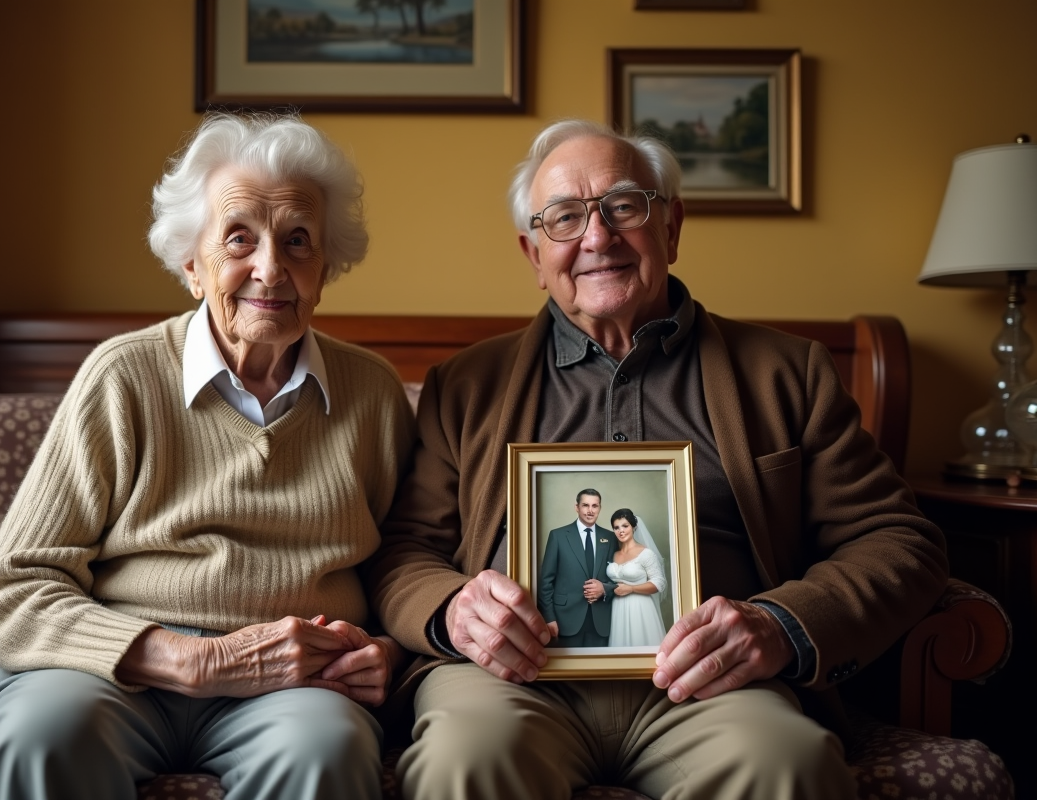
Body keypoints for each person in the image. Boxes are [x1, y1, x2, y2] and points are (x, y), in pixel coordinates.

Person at [364, 119, 948, 800]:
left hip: (714, 686)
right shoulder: (463, 385)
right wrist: (454, 609)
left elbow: (898, 540)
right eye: (564, 217)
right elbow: (404, 549)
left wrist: (780, 625)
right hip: (509, 683)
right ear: (533, 254)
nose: (597, 237)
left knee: (786, 764)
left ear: (671, 227)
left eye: (624, 206)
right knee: (463, 761)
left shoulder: (790, 373)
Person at [0, 112, 415, 800]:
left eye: (298, 240)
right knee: (47, 738)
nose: (272, 268)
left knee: (326, 752)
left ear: (325, 268)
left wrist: (388, 650)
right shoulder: (124, 376)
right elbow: (7, 593)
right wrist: (196, 659)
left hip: (294, 684)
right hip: (114, 670)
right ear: (191, 266)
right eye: (239, 238)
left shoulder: (373, 393)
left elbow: (406, 564)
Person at [537, 489, 617, 647]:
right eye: (585, 505)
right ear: (577, 507)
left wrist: (604, 588)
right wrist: (549, 618)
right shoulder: (558, 536)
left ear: (600, 508)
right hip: (564, 619)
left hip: (601, 620)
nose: (590, 510)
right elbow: (546, 581)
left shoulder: (610, 538)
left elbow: (618, 578)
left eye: (595, 506)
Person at [605, 508, 667, 648]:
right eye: (616, 527)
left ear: (634, 527)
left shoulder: (646, 553)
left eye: (625, 526)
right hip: (617, 608)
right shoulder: (613, 554)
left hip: (639, 608)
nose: (621, 531)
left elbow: (659, 583)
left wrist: (631, 588)